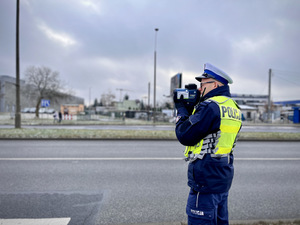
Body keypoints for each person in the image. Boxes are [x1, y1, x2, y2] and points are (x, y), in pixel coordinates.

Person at [174, 63, 242, 225]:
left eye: (203, 84)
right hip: (221, 178)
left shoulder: (210, 106)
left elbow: (185, 134)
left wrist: (182, 110)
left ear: (216, 84)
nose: (199, 89)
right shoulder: (233, 107)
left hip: (205, 181)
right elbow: (211, 132)